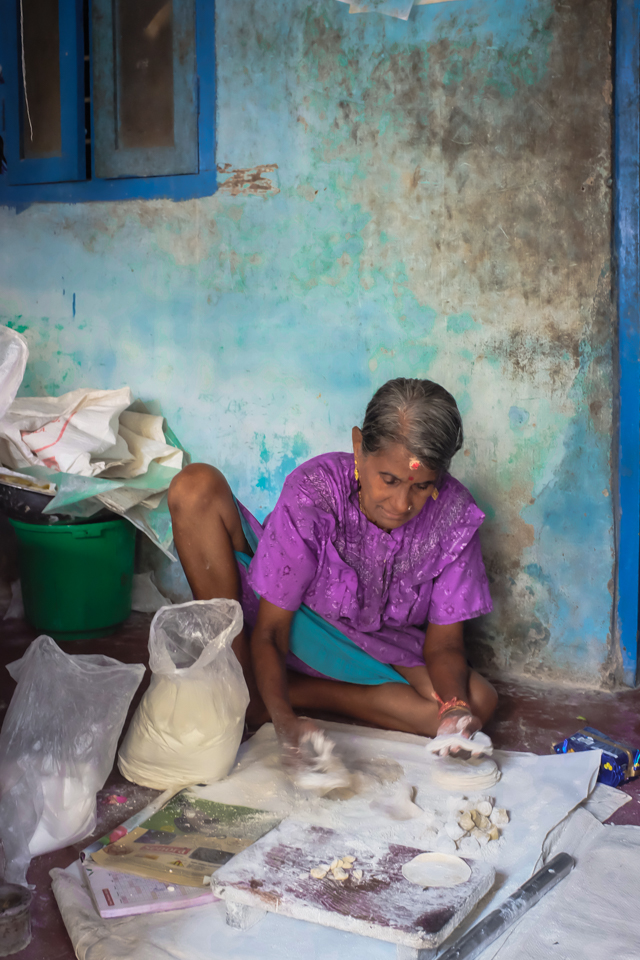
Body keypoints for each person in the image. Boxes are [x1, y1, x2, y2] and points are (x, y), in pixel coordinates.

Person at [168, 378, 497, 756]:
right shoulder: (315, 490)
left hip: (370, 644)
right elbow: (272, 631)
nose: (401, 502)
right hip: (280, 622)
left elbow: (446, 644)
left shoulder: (453, 516)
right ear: (359, 448)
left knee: (477, 702)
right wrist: (283, 720)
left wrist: (455, 708)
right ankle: (252, 689)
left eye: (422, 486)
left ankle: (280, 693)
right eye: (388, 480)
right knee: (194, 487)